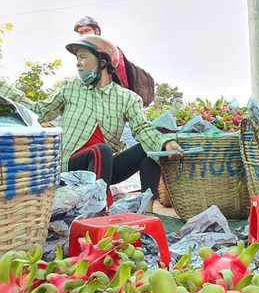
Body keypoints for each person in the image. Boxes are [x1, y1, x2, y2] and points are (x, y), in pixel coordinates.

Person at [0, 35, 182, 207]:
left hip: (107, 167)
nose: (78, 64)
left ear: (103, 62)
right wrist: (4, 87)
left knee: (149, 148)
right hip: (71, 164)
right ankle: (98, 211)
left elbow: (142, 129)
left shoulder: (127, 98)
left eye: (83, 57)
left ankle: (147, 211)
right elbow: (40, 113)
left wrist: (165, 142)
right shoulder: (70, 87)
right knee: (101, 151)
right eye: (77, 59)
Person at [73, 16, 155, 106]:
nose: (84, 34)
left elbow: (122, 78)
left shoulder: (109, 49)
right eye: (81, 32)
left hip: (114, 100)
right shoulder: (84, 50)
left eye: (87, 30)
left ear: (97, 31)